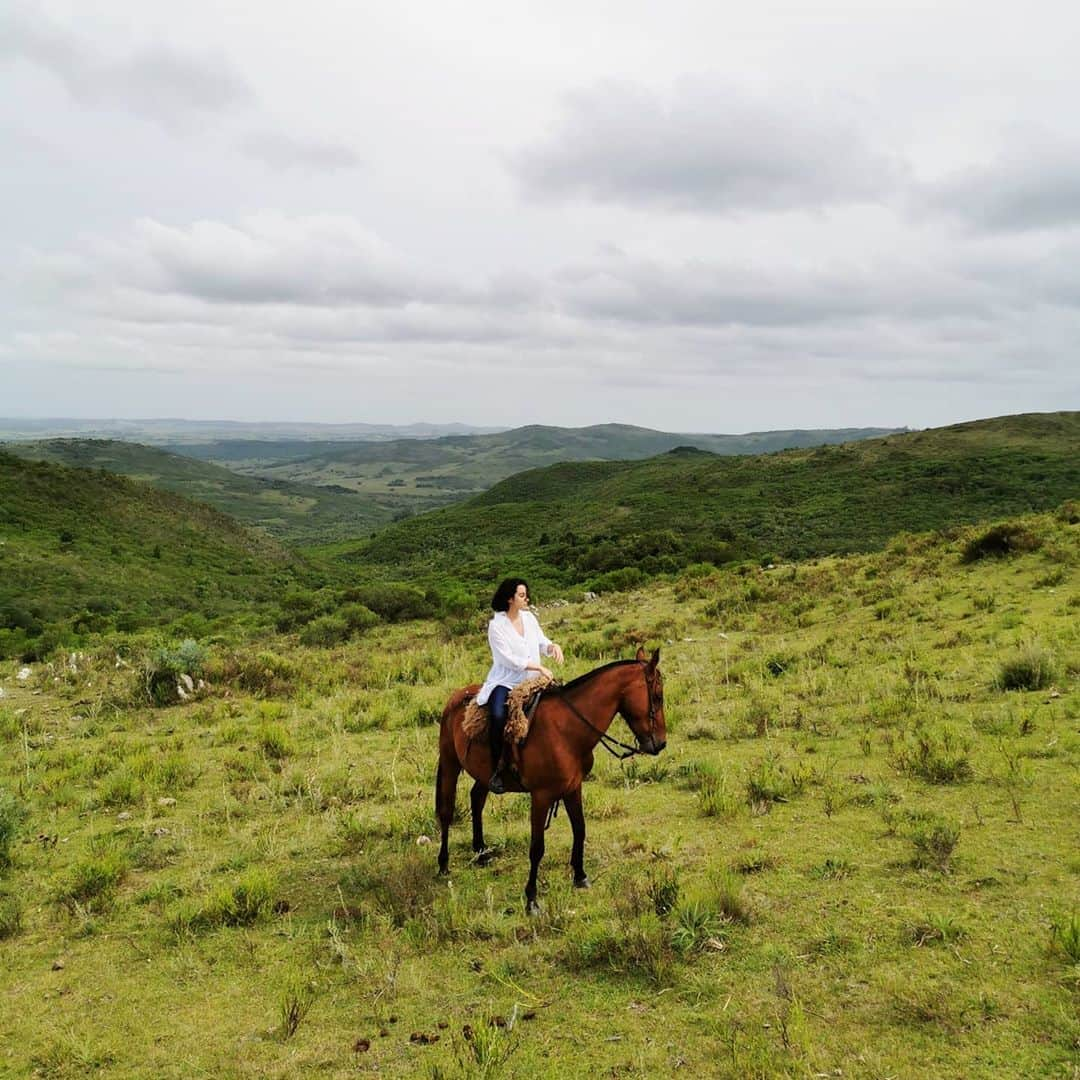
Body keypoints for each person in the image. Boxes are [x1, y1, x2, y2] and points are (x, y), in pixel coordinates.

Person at [476, 578, 564, 793]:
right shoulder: (496, 626)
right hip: (507, 682)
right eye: (522, 595)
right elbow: (508, 659)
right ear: (509, 598)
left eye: (526, 594)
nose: (527, 599)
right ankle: (497, 768)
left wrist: (552, 646)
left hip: (534, 681)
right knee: (498, 715)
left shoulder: (529, 618)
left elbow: (541, 641)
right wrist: (539, 667)